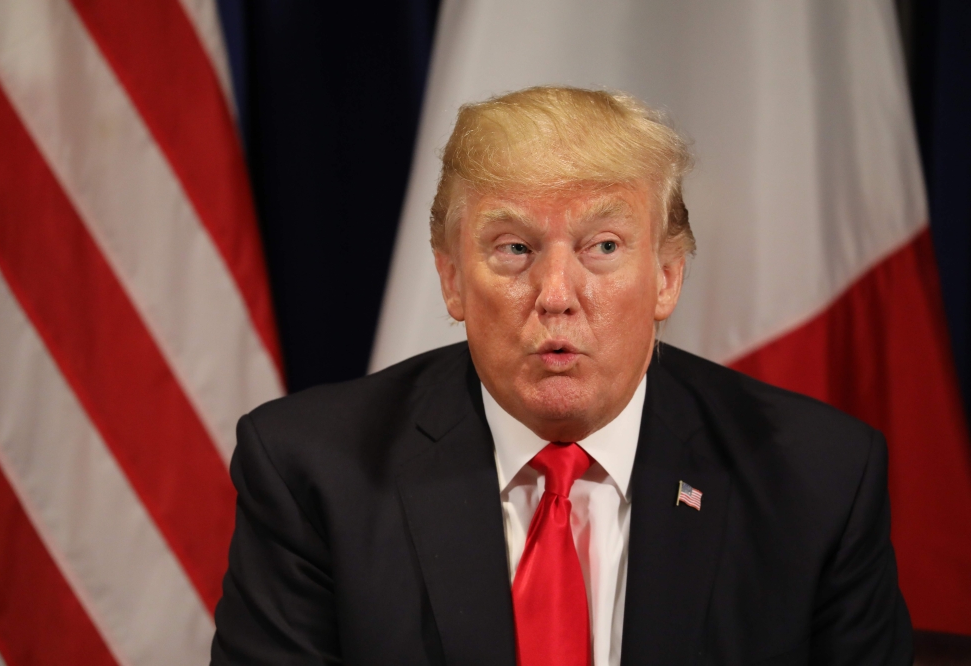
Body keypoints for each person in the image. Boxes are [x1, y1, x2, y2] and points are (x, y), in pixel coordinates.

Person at [211, 86, 912, 665]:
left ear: (667, 276)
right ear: (452, 279)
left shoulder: (818, 479)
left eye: (602, 246)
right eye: (513, 248)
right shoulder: (313, 471)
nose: (555, 293)